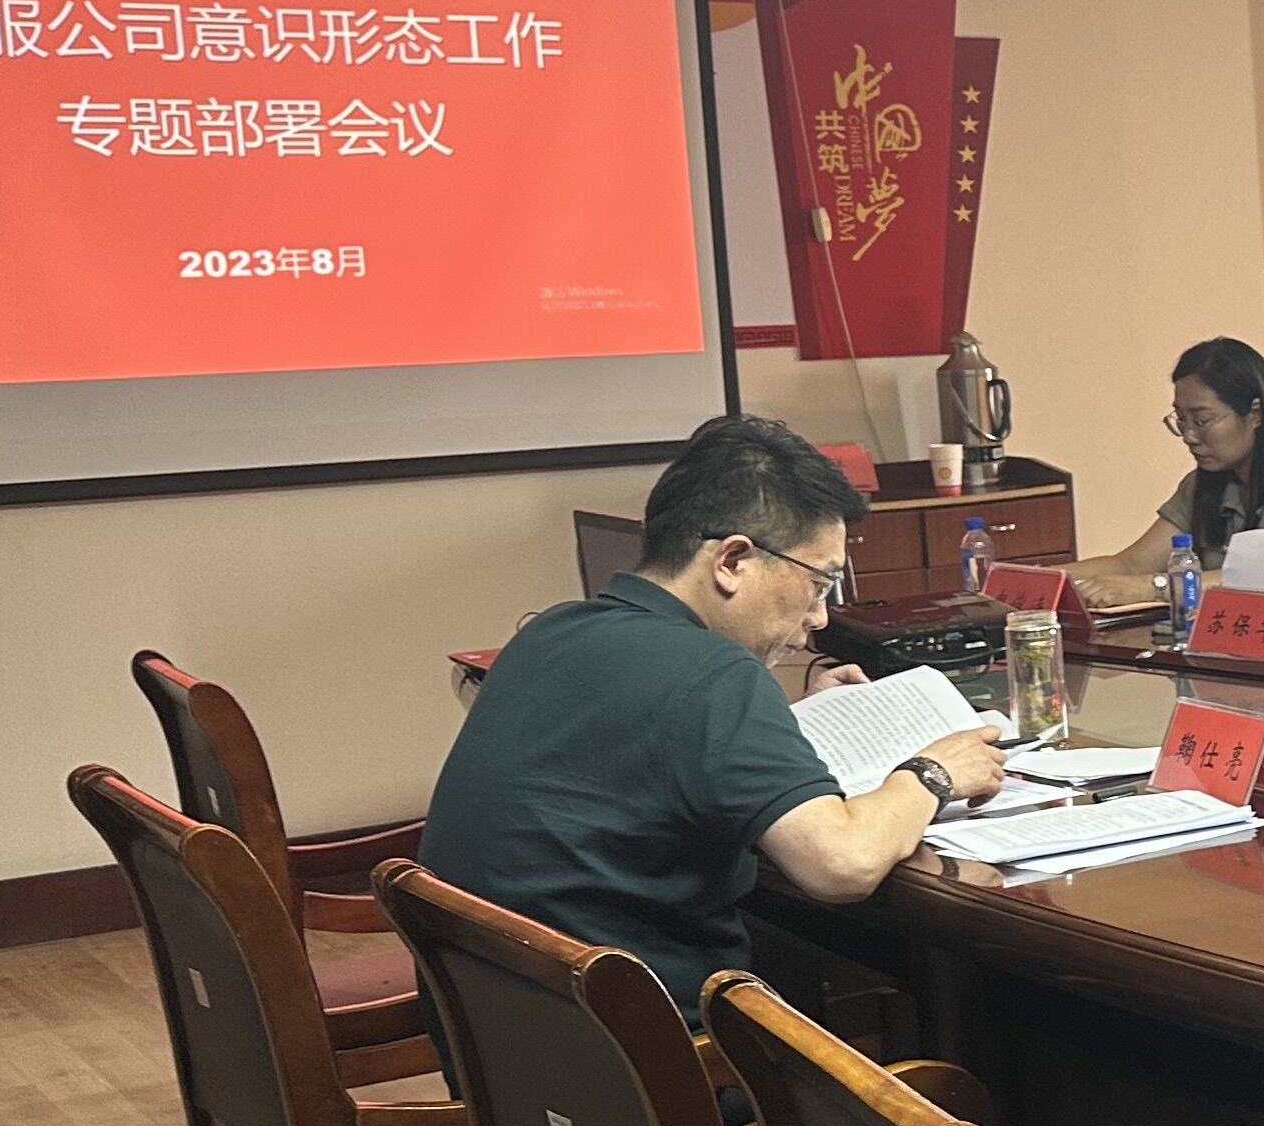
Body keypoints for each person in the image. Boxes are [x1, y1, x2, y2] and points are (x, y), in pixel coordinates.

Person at [421, 415, 1003, 1017]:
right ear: (732, 560)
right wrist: (932, 773)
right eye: (819, 582)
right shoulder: (713, 673)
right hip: (658, 1053)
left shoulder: (552, 631)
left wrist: (784, 720)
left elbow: (634, 750)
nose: (820, 617)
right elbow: (842, 865)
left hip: (509, 1034)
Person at [1069, 335, 1264, 609]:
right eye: (1182, 420)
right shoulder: (1204, 483)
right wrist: (1050, 578)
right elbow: (1131, 564)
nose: (1189, 436)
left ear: (1255, 414)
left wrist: (1154, 588)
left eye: (1202, 420)